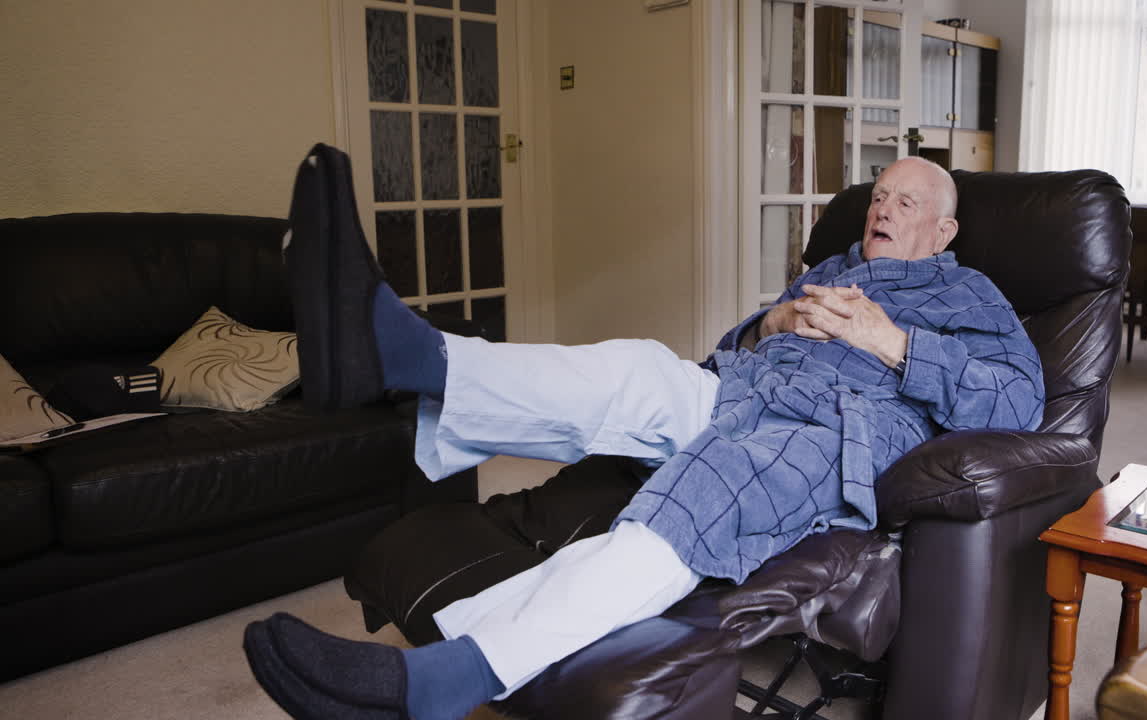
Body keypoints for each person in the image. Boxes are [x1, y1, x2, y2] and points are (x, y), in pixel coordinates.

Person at [243, 151, 1045, 720]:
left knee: (712, 482)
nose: (881, 209)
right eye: (878, 194)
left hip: (829, 439)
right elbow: (719, 354)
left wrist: (890, 340)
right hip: (742, 393)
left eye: (906, 203)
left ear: (943, 233)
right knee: (636, 368)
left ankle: (443, 679)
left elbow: (1020, 402)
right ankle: (404, 356)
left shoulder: (971, 297)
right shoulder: (828, 268)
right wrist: (772, 319)